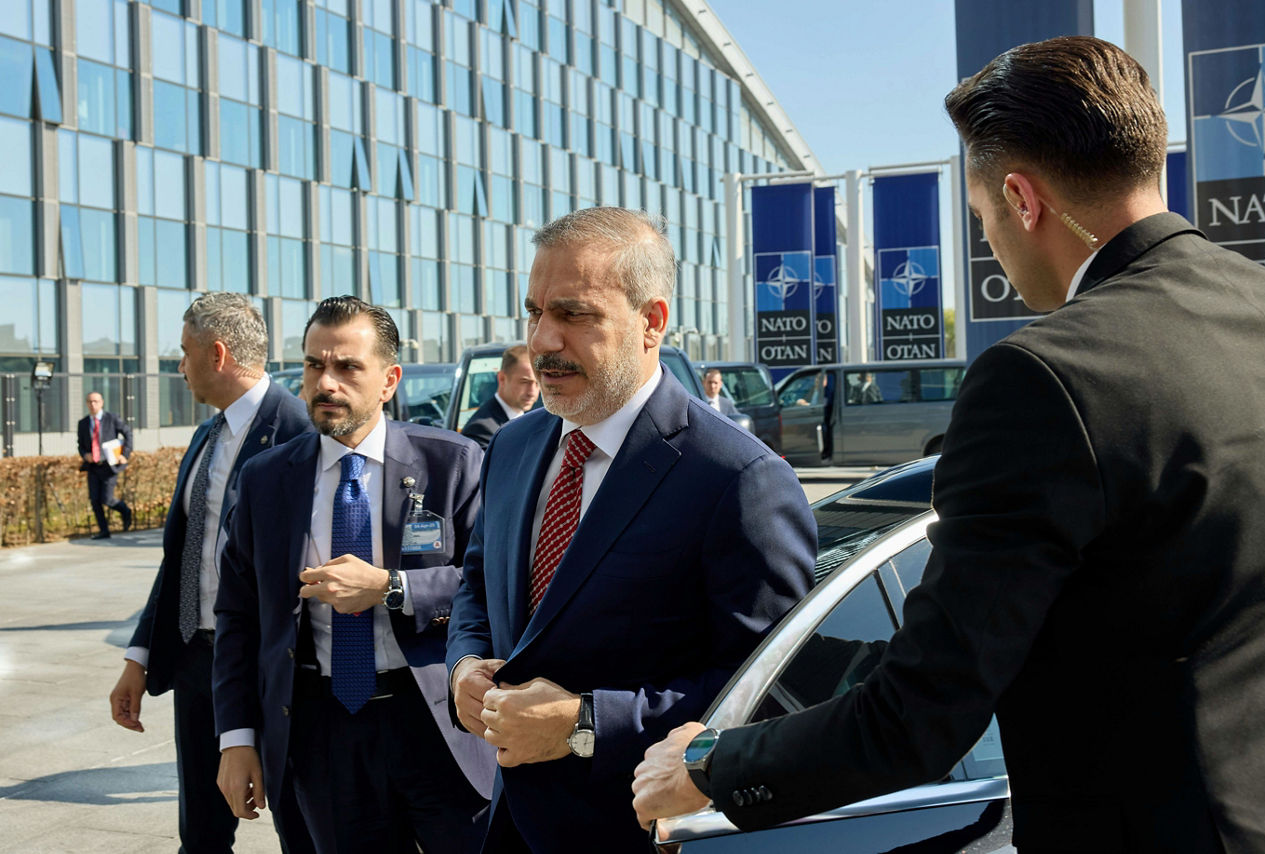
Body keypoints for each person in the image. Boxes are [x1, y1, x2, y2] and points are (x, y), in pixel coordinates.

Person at [632, 35, 1265, 853]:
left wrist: (709, 764)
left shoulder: (1042, 377)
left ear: (1021, 197)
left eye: (981, 218)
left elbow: (922, 714)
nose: (992, 243)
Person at [446, 207, 815, 854]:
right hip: (509, 823)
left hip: (645, 834)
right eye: (534, 312)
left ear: (651, 321)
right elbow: (476, 587)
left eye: (573, 314)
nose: (542, 340)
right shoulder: (512, 446)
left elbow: (770, 693)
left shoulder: (737, 477)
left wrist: (583, 725)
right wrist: (464, 666)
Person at [213, 297, 495, 854]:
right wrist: (236, 737)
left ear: (389, 380)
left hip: (437, 720)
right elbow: (237, 616)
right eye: (314, 365)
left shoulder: (453, 464)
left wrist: (391, 588)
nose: (326, 382)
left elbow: (490, 585)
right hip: (323, 731)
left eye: (347, 367)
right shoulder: (266, 480)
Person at [108, 292, 314, 853]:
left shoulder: (300, 431)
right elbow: (182, 557)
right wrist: (139, 656)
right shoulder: (205, 436)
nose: (180, 366)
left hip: (278, 670)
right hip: (200, 663)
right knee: (200, 835)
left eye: (185, 351)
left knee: (303, 831)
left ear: (217, 354)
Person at [461, 345, 540, 450]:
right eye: (524, 382)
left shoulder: (535, 421)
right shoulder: (482, 429)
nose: (532, 392)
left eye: (538, 383)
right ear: (502, 378)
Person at [77, 391, 133, 539]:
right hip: (93, 466)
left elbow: (128, 433)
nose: (92, 404)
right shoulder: (83, 423)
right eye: (89, 402)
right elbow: (80, 445)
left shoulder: (112, 418)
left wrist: (124, 454)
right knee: (95, 500)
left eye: (95, 401)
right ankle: (104, 531)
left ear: (101, 403)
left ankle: (125, 511)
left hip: (109, 466)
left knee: (107, 499)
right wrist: (85, 455)